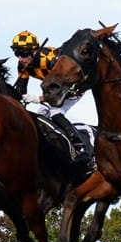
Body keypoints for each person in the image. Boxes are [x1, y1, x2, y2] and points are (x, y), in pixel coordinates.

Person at [10, 30, 89, 163]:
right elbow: (21, 90)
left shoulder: (50, 59)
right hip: (53, 90)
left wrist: (39, 99)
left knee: (55, 112)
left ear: (34, 51)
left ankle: (81, 148)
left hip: (73, 87)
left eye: (23, 54)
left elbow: (62, 87)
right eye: (17, 54)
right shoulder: (22, 65)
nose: (20, 59)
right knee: (41, 118)